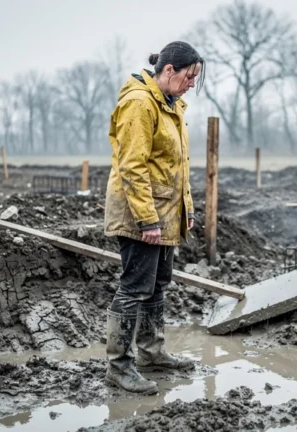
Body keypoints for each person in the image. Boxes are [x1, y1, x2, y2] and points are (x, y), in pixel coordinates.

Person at [102, 41, 206, 394]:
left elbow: (175, 165)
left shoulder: (169, 105)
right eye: (189, 76)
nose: (191, 83)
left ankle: (151, 353)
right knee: (134, 287)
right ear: (169, 70)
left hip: (164, 213)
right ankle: (119, 367)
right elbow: (132, 166)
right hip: (139, 215)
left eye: (195, 78)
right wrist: (147, 220)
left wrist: (185, 210)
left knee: (158, 284)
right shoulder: (139, 103)